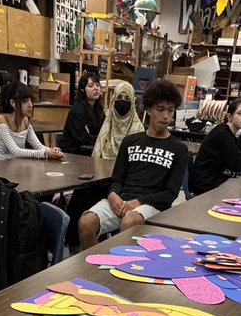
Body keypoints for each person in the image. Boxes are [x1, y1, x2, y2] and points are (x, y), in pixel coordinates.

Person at [78, 79, 187, 248]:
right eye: (160, 109)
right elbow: (117, 179)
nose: (166, 116)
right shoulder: (130, 141)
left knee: (129, 222)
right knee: (86, 223)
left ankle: (122, 269)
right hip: (122, 201)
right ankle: (93, 269)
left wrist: (139, 201)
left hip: (152, 205)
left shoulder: (179, 149)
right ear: (149, 109)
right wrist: (112, 194)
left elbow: (170, 194)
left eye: (170, 111)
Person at [0, 81, 62, 161]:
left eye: (30, 100)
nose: (30, 105)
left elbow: (38, 146)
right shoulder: (1, 120)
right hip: (0, 167)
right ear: (13, 103)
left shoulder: (25, 121)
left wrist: (52, 151)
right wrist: (45, 153)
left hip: (18, 166)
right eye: (25, 101)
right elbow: (16, 151)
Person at [93, 80, 143, 160]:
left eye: (127, 98)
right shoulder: (107, 127)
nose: (123, 101)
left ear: (133, 103)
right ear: (113, 100)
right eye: (119, 97)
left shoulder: (139, 131)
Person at [59, 72, 104, 155]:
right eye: (91, 86)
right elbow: (82, 137)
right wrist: (99, 137)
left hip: (89, 150)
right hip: (72, 152)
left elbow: (103, 131)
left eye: (97, 85)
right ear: (83, 90)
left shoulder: (99, 109)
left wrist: (94, 136)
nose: (96, 88)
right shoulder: (77, 109)